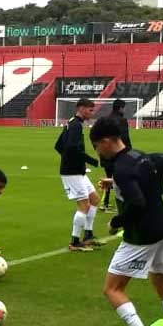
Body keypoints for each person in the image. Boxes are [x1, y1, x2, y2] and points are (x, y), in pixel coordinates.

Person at [89, 116, 163, 326]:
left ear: (107, 141)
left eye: (96, 145)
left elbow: (137, 203)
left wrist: (116, 222)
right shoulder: (141, 157)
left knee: (112, 289)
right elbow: (143, 185)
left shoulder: (121, 167)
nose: (97, 151)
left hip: (141, 236)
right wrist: (114, 183)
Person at [55, 98, 103, 250]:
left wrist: (67, 158)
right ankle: (75, 242)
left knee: (94, 199)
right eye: (90, 110)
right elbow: (72, 147)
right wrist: (90, 160)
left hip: (76, 171)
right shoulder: (75, 125)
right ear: (81, 108)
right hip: (72, 172)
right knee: (84, 204)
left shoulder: (72, 123)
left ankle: (88, 234)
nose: (92, 113)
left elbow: (58, 146)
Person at [99, 99, 132, 211]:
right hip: (117, 155)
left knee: (108, 178)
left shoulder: (104, 119)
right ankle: (121, 204)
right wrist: (129, 152)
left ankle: (104, 203)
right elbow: (124, 138)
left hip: (104, 153)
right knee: (120, 179)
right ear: (121, 108)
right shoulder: (121, 120)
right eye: (124, 108)